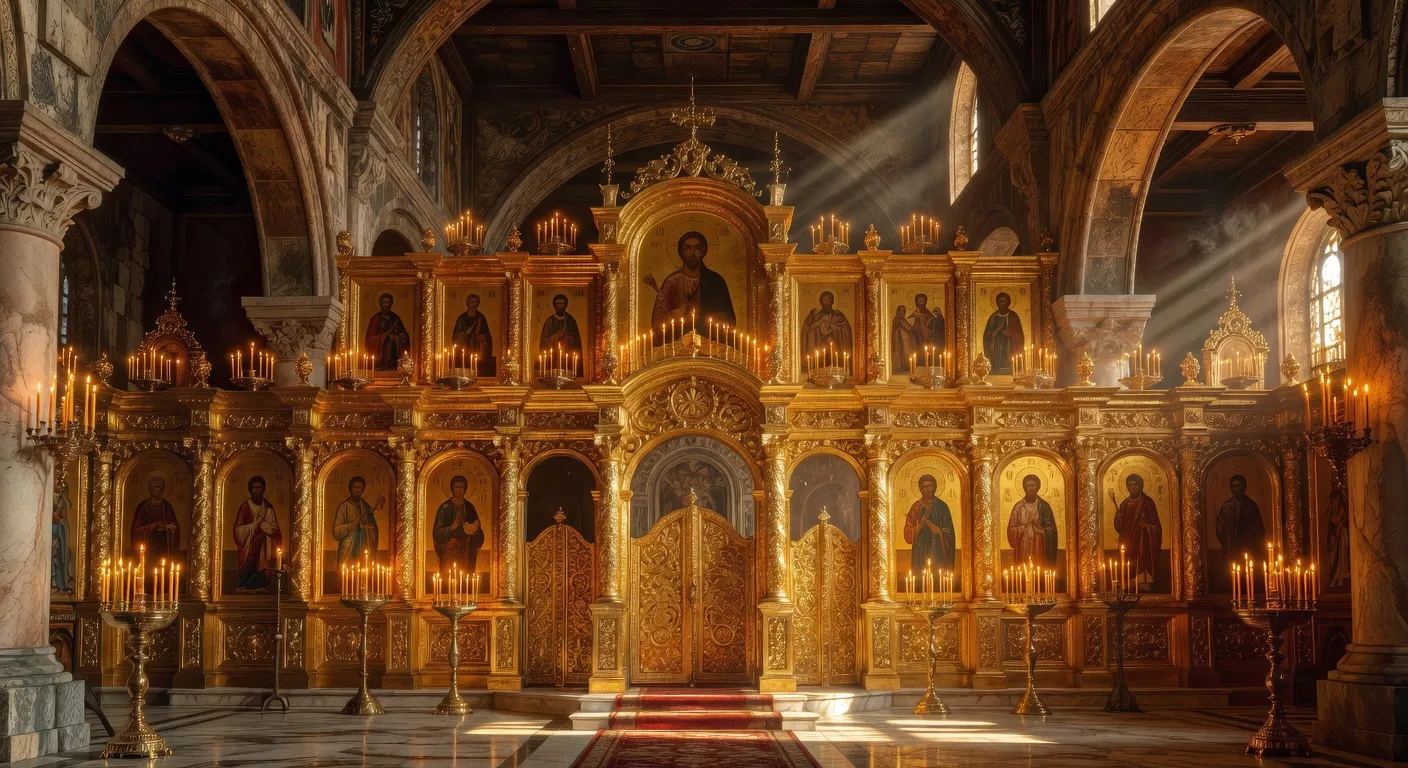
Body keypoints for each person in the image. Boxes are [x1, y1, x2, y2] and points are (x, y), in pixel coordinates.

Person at [645, 231, 735, 332]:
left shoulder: (715, 281)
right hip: (677, 342)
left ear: (703, 251)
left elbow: (728, 321)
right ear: (681, 252)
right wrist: (679, 313)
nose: (692, 253)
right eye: (687, 248)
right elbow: (658, 324)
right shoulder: (671, 283)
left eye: (697, 248)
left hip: (708, 341)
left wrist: (712, 321)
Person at [1110, 474, 1162, 587]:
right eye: (1130, 485)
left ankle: (1143, 582)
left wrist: (1147, 526)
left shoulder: (1147, 502)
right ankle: (1129, 583)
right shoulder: (1124, 504)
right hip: (1127, 542)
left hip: (1143, 541)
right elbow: (1119, 528)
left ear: (1141, 486)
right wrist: (1117, 517)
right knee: (1127, 564)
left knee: (1141, 562)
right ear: (1127, 487)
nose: (1133, 487)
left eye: (1136, 485)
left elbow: (1156, 526)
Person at [233, 476, 282, 592]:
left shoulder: (268, 507)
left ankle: (261, 585)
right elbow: (237, 530)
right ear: (250, 489)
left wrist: (267, 529)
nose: (257, 490)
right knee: (249, 565)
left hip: (264, 545)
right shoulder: (245, 507)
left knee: (262, 565)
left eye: (259, 487)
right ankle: (244, 585)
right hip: (249, 544)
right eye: (254, 487)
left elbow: (274, 527)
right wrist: (255, 526)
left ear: (263, 489)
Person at [902, 474, 956, 578]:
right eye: (924, 487)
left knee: (937, 576)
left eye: (929, 486)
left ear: (934, 487)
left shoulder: (942, 507)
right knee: (919, 577)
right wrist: (916, 529)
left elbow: (949, 531)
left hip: (937, 547)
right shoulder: (916, 507)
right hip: (920, 548)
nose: (927, 489)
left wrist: (939, 531)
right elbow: (908, 530)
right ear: (920, 489)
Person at [432, 475, 484, 572]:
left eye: (462, 487)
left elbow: (479, 534)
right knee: (448, 578)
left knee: (466, 579)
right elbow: (437, 533)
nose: (460, 490)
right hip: (450, 551)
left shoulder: (470, 507)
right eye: (457, 487)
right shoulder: (445, 508)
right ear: (452, 488)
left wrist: (475, 529)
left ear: (465, 488)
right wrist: (452, 528)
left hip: (467, 551)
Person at [332, 476, 384, 570]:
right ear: (350, 489)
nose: (356, 490)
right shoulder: (344, 507)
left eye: (359, 488)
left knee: (363, 576)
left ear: (363, 490)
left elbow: (373, 530)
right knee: (346, 578)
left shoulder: (366, 507)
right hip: (347, 550)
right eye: (354, 487)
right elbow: (336, 532)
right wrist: (354, 524)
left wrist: (367, 527)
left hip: (363, 550)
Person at [1007, 474, 1058, 567]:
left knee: (1040, 574)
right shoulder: (1018, 507)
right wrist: (1025, 527)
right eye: (1028, 486)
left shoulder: (1044, 507)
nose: (1030, 488)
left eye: (1033, 485)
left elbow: (1052, 531)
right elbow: (1011, 531)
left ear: (1037, 487)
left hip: (1039, 548)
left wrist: (1041, 531)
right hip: (1023, 548)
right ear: (1024, 488)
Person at [1215, 474, 1265, 559]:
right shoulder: (1226, 506)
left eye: (1238, 485)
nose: (1235, 489)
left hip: (1248, 548)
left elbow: (1259, 528)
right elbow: (1220, 529)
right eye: (1233, 486)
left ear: (1244, 486)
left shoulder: (1251, 505)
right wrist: (1227, 542)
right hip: (1231, 549)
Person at [131, 475, 180, 560]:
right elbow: (136, 530)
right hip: (148, 547)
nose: (157, 492)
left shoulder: (167, 506)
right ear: (150, 490)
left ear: (163, 490)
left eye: (159, 490)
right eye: (155, 489)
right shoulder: (143, 507)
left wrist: (167, 527)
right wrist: (153, 525)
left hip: (163, 546)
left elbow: (175, 528)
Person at [364, 292, 411, 370]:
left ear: (391, 304)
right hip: (380, 356)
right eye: (384, 302)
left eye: (388, 302)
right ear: (380, 304)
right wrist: (384, 337)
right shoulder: (375, 319)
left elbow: (405, 335)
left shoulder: (396, 318)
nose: (386, 305)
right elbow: (369, 339)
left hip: (394, 354)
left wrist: (397, 337)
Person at [451, 293, 494, 376]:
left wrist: (484, 337)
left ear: (478, 303)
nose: (473, 304)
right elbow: (456, 336)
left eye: (475, 302)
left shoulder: (481, 317)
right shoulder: (462, 318)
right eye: (471, 302)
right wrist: (464, 334)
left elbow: (487, 335)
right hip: (464, 350)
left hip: (478, 349)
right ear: (467, 303)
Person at [799, 291, 853, 357]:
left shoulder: (838, 315)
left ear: (832, 301)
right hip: (819, 349)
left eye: (828, 299)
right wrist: (821, 321)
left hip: (835, 350)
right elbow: (808, 330)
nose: (826, 301)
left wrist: (833, 327)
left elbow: (846, 330)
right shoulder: (815, 315)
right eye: (824, 300)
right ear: (821, 302)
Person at [982, 292, 1025, 374]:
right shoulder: (993, 317)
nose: (1002, 303)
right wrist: (996, 334)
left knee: (1008, 361)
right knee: (997, 362)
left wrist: (1012, 333)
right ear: (997, 303)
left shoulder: (1013, 316)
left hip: (1010, 346)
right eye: (1000, 301)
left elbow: (1019, 334)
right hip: (996, 346)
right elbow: (987, 334)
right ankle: (995, 370)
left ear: (1008, 303)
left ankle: (1011, 370)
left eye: (1004, 301)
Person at [539, 293, 583, 367]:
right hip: (553, 357)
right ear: (554, 305)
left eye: (561, 303)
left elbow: (576, 342)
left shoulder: (571, 320)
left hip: (568, 357)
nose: (559, 306)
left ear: (566, 305)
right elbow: (544, 342)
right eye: (557, 304)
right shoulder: (549, 321)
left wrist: (567, 338)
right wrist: (557, 336)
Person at [51, 478, 74, 593]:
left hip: (60, 529)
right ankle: (53, 583)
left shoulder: (62, 499)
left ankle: (61, 584)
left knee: (61, 557)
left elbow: (68, 506)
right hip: (52, 532)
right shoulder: (50, 498)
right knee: (53, 557)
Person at [890, 304, 916, 375]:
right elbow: (907, 327)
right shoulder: (898, 319)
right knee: (903, 352)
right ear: (897, 311)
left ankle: (906, 365)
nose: (901, 312)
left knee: (905, 352)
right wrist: (913, 329)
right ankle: (903, 366)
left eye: (903, 311)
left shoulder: (901, 319)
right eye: (900, 311)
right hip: (900, 340)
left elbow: (907, 326)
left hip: (904, 340)